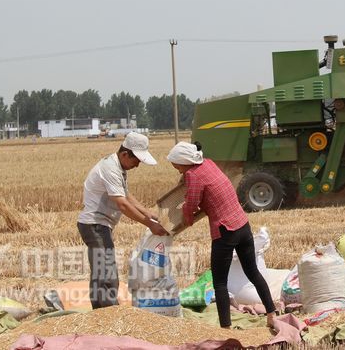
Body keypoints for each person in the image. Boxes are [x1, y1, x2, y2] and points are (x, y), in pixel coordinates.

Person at [168, 141, 275, 330]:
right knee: (253, 272)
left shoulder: (193, 174)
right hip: (243, 225)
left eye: (176, 166)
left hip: (225, 230)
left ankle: (225, 328)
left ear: (184, 161)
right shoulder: (208, 163)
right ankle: (271, 315)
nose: (177, 170)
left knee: (219, 283)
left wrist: (185, 216)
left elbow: (191, 205)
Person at [77, 132, 168, 309]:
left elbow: (125, 195)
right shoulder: (110, 168)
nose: (138, 165)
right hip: (95, 224)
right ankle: (111, 314)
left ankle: (100, 314)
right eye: (137, 160)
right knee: (107, 271)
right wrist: (151, 225)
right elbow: (123, 205)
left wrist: (150, 214)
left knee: (99, 271)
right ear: (125, 154)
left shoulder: (118, 167)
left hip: (98, 224)